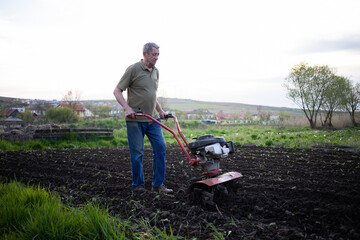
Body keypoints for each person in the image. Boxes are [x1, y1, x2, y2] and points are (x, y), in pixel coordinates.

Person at [113, 42, 173, 194]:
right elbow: (117, 91)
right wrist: (127, 108)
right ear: (145, 54)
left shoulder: (156, 71)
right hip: (135, 119)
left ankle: (158, 185)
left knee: (160, 148)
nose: (157, 57)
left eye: (158, 54)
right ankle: (138, 186)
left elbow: (152, 95)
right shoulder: (133, 69)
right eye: (154, 54)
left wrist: (160, 112)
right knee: (137, 153)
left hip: (152, 119)